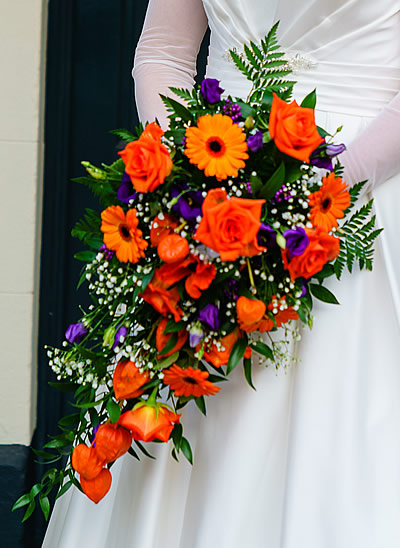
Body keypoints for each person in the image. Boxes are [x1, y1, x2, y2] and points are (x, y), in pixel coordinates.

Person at [43, 1, 400, 546]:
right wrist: (184, 177)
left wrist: (318, 189)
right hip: (209, 199)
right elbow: (163, 51)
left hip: (362, 211)